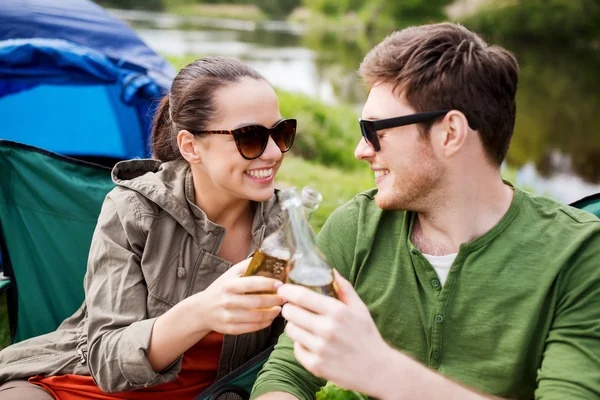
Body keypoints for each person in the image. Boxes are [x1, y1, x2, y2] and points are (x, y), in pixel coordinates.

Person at [251, 23, 600, 400]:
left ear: (450, 133)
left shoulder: (579, 255)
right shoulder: (354, 228)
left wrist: (380, 369)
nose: (361, 150)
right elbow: (286, 374)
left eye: (374, 131)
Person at [0, 56, 298, 399]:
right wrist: (203, 311)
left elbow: (296, 354)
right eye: (251, 137)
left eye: (281, 132)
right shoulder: (133, 210)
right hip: (80, 386)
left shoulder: (285, 226)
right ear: (190, 146)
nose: (274, 152)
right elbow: (108, 359)